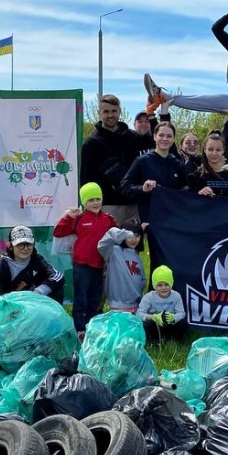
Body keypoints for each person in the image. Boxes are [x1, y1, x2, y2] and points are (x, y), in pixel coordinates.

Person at [53, 182, 118, 332]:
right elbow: (58, 232)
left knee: (95, 299)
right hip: (81, 265)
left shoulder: (108, 219)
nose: (95, 203)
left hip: (99, 265)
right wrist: (68, 217)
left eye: (98, 198)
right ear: (84, 202)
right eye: (90, 200)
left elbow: (116, 234)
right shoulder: (78, 218)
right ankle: (79, 329)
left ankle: (92, 327)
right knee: (81, 298)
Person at [81, 94, 151, 227]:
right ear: (99, 113)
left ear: (120, 111)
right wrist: (88, 208)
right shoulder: (91, 143)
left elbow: (156, 140)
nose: (110, 115)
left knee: (135, 247)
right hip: (108, 206)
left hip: (134, 204)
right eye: (106, 111)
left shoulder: (131, 136)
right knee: (109, 247)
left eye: (114, 111)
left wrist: (152, 113)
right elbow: (86, 179)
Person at [121, 122, 188, 224]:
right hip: (149, 221)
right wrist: (142, 188)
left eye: (169, 136)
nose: (165, 139)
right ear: (154, 137)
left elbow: (185, 189)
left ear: (173, 139)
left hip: (173, 219)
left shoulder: (177, 164)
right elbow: (125, 186)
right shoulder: (142, 161)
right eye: (161, 135)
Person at [98, 220, 147, 313]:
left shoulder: (137, 257)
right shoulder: (114, 251)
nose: (133, 240)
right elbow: (102, 245)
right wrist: (119, 233)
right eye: (130, 236)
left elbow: (142, 279)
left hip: (136, 306)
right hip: (117, 306)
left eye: (137, 236)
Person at [138, 266, 187, 343]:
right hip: (155, 323)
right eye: (160, 285)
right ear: (154, 286)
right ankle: (154, 340)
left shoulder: (176, 295)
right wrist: (152, 317)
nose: (163, 288)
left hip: (169, 323)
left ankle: (171, 339)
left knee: (183, 323)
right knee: (146, 325)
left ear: (171, 284)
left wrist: (173, 317)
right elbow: (139, 314)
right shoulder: (149, 296)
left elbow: (182, 313)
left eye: (166, 284)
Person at [187, 132, 228, 197]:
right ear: (205, 150)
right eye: (210, 149)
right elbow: (189, 201)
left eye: (218, 150)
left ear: (223, 151)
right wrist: (199, 194)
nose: (214, 153)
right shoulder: (195, 176)